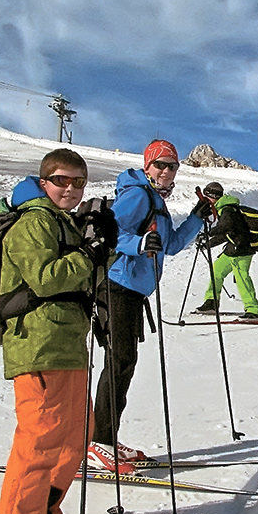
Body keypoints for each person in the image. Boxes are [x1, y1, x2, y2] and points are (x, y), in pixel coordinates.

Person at [0, 148, 114, 514]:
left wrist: (104, 247)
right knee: (40, 439)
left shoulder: (65, 224)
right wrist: (89, 253)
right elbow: (45, 278)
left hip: (67, 344)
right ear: (45, 181)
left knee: (79, 432)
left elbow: (85, 278)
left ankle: (44, 508)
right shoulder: (33, 222)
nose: (71, 189)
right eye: (62, 180)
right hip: (39, 344)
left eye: (79, 182)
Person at [87, 140, 211, 472]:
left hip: (132, 290)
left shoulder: (155, 199)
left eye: (173, 166)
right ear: (147, 167)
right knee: (120, 361)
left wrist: (198, 216)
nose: (167, 171)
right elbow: (109, 232)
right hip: (117, 285)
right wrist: (138, 242)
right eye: (161, 165)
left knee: (123, 362)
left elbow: (170, 244)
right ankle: (99, 443)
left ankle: (106, 440)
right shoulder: (137, 194)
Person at [193, 182, 258, 320]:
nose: (206, 202)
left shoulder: (228, 210)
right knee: (217, 271)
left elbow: (225, 226)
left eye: (207, 199)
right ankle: (211, 302)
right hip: (233, 248)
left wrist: (208, 234)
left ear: (213, 197)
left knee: (242, 277)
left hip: (241, 249)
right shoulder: (223, 209)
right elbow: (226, 233)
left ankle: (254, 310)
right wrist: (207, 244)